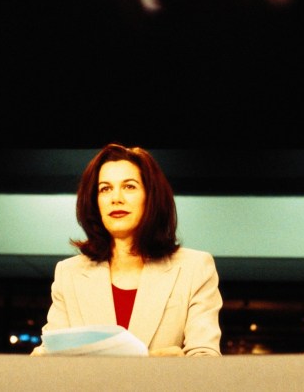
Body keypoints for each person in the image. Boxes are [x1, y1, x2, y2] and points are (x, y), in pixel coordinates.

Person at [31, 143, 222, 357]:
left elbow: (206, 359)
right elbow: (52, 353)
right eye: (105, 189)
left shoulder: (195, 268)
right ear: (95, 202)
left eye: (129, 186)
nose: (116, 198)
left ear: (151, 196)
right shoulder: (69, 273)